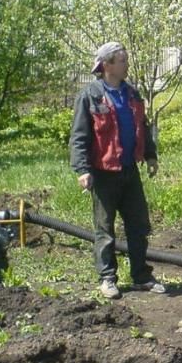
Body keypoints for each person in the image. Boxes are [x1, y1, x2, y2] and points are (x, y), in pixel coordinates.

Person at [69, 41, 165, 299]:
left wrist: (150, 154)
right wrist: (82, 169)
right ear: (107, 65)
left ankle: (141, 277)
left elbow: (142, 127)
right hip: (103, 173)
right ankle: (108, 278)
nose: (127, 64)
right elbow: (79, 137)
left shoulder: (131, 94)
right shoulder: (89, 96)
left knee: (139, 225)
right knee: (105, 229)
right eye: (122, 60)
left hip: (129, 170)